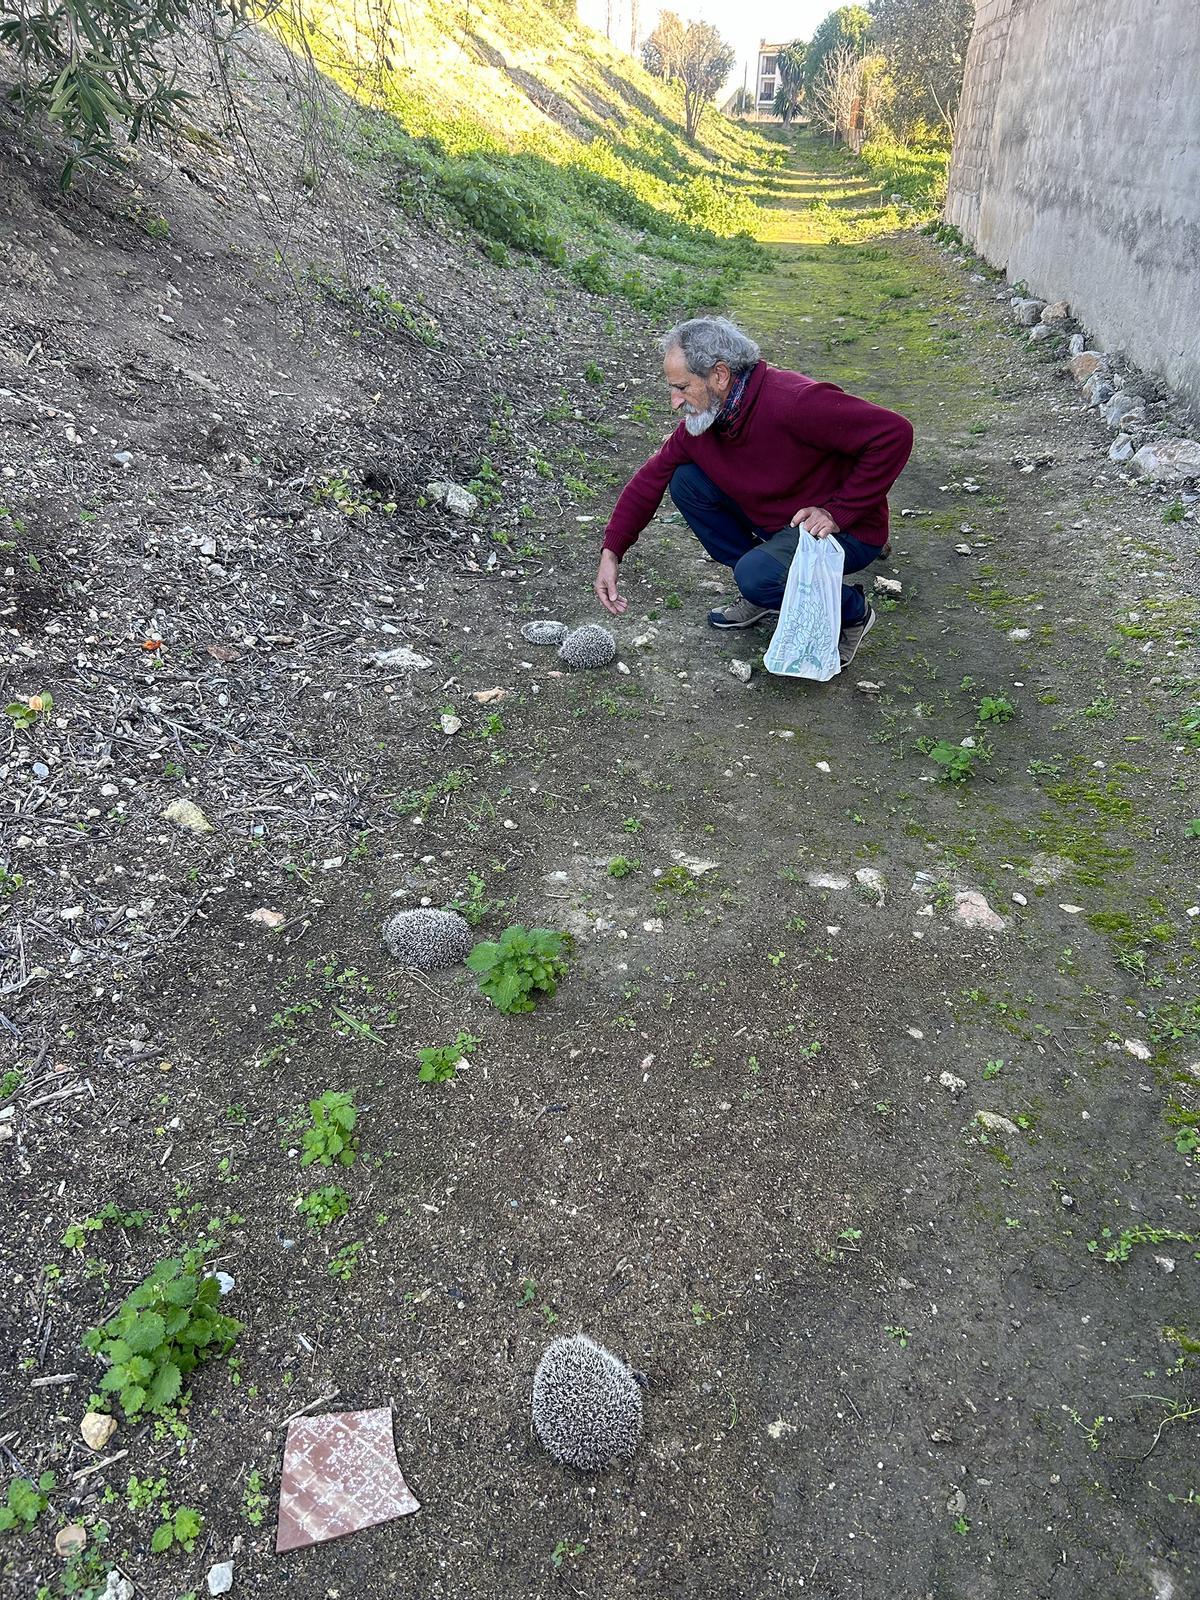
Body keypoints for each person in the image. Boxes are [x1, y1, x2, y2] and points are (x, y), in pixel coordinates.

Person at [593, 316, 914, 667]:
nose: (674, 401)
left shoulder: (793, 402)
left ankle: (852, 611)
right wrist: (612, 553)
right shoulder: (706, 425)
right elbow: (647, 481)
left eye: (682, 387)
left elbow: (893, 434)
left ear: (719, 375)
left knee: (756, 575)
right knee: (685, 481)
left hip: (847, 533)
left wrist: (839, 511)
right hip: (784, 527)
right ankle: (765, 590)